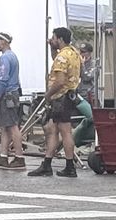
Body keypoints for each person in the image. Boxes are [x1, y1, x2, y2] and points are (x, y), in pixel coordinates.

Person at [29, 27, 83, 178]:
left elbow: (59, 81)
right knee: (52, 129)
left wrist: (48, 95)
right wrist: (52, 48)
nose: (51, 40)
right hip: (69, 96)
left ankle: (69, 166)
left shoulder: (62, 57)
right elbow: (57, 61)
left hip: (61, 97)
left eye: (53, 38)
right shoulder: (73, 53)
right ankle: (47, 163)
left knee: (65, 132)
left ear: (60, 39)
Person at [0, 32, 24, 170]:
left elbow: (3, 78)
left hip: (7, 95)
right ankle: (3, 155)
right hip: (12, 94)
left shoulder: (5, 58)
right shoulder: (13, 56)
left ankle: (19, 157)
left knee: (13, 126)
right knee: (5, 127)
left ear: (3, 42)